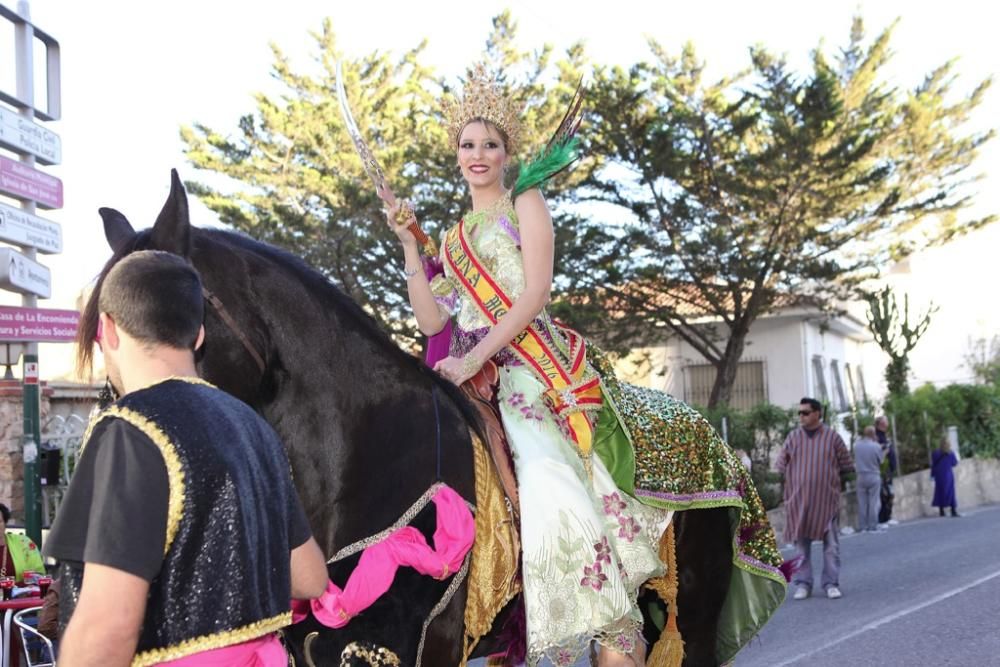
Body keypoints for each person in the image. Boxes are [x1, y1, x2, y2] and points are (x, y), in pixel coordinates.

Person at [385, 63, 787, 667]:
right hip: (477, 368)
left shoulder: (525, 201)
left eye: (489, 144)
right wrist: (411, 248)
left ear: (505, 152)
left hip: (533, 364)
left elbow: (534, 294)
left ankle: (605, 607)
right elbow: (431, 323)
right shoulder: (453, 239)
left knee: (545, 466)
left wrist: (475, 356)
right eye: (468, 144)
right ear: (456, 152)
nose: (477, 154)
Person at [44, 250, 329, 667]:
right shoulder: (255, 429)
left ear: (106, 330)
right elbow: (309, 576)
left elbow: (108, 628)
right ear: (198, 334)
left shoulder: (130, 429)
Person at [776, 398, 854, 600]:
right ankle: (803, 583)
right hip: (799, 502)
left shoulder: (832, 437)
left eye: (806, 412)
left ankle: (831, 583)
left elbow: (847, 464)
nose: (801, 416)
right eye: (799, 413)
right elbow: (780, 465)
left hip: (826, 502)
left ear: (818, 413)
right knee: (801, 546)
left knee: (831, 546)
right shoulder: (793, 438)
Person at [0, 502, 45, 584]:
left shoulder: (23, 543)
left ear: (5, 523)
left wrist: (18, 587)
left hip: (21, 595)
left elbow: (39, 575)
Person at [853, 426, 885, 533]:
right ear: (873, 434)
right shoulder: (876, 446)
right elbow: (880, 461)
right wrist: (885, 451)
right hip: (873, 474)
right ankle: (873, 525)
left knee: (862, 502)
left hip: (860, 475)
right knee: (873, 502)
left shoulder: (857, 445)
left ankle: (863, 526)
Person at [874, 415, 898, 525]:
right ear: (881, 424)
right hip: (884, 470)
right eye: (886, 421)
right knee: (885, 494)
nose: (888, 423)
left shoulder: (883, 436)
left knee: (888, 493)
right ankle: (884, 517)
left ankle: (887, 516)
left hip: (888, 470)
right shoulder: (877, 437)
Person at [931, 436, 960, 517]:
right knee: (951, 492)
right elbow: (954, 463)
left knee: (939, 491)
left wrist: (932, 475)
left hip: (939, 475)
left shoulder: (936, 453)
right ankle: (953, 510)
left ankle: (941, 511)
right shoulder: (950, 453)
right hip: (948, 475)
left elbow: (933, 465)